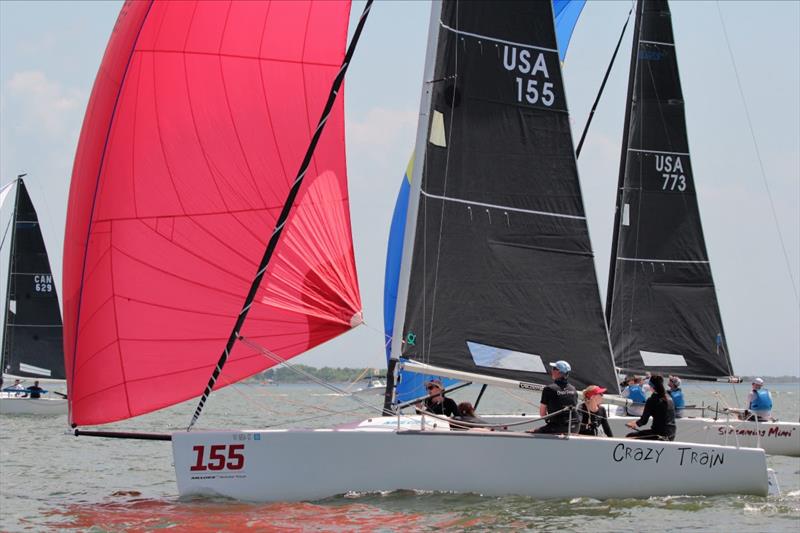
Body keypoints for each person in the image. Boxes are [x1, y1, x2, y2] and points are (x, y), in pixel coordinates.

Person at [529, 360, 578, 434]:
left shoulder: (549, 389)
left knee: (529, 433)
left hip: (557, 428)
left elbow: (542, 414)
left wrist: (549, 420)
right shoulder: (573, 389)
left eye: (553, 368)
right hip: (575, 427)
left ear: (557, 372)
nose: (551, 370)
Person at [625, 374, 676, 441]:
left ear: (651, 386)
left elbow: (643, 421)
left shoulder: (652, 400)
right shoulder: (669, 398)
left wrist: (633, 423)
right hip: (671, 434)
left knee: (629, 436)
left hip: (659, 435)